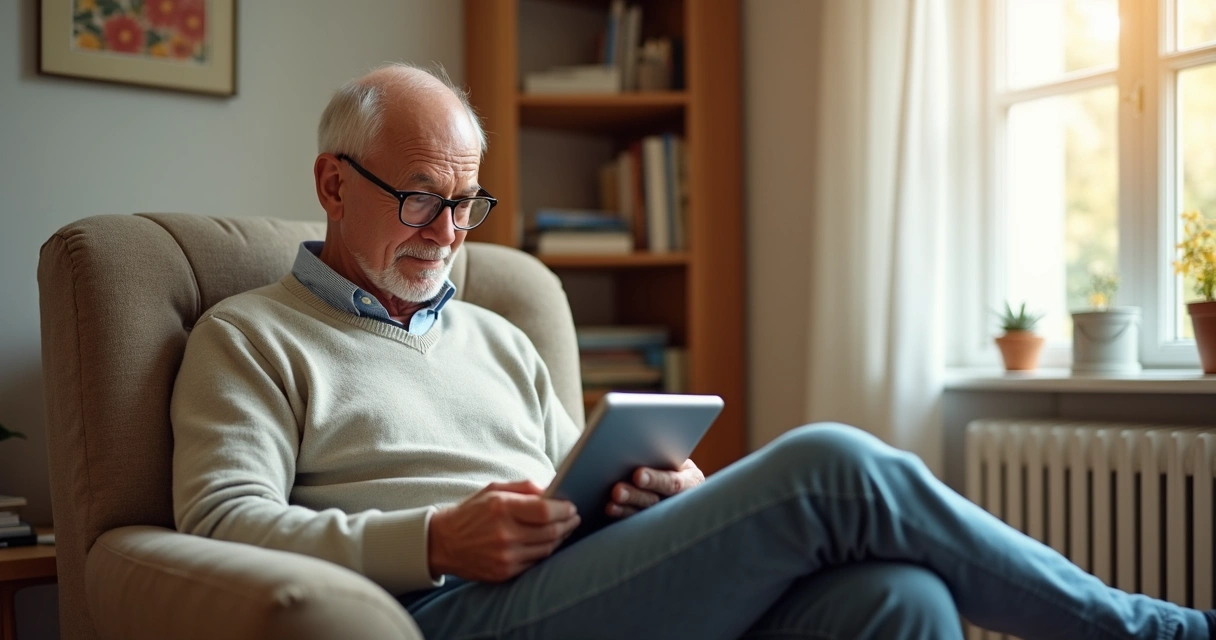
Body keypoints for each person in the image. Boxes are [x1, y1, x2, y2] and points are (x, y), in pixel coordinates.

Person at [170, 63, 1216, 640]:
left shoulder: (496, 332)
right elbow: (221, 522)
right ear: (332, 184)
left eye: (462, 202)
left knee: (901, 600)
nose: (446, 233)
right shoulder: (251, 336)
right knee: (833, 467)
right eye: (415, 200)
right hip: (437, 612)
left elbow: (559, 489)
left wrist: (656, 492)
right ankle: (1143, 633)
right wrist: (433, 538)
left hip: (565, 587)